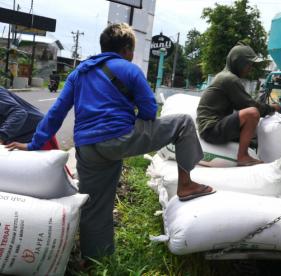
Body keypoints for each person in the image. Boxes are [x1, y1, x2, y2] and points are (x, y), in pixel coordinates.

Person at [6, 23, 215, 261]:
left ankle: (95, 259)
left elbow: (56, 113)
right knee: (184, 123)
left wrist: (33, 144)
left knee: (95, 207)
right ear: (126, 49)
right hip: (119, 139)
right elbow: (148, 110)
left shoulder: (78, 73)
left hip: (86, 147)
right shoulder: (129, 69)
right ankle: (186, 184)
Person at [196, 43, 279, 166]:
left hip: (213, 125)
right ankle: (243, 156)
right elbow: (250, 106)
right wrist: (272, 108)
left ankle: (247, 151)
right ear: (238, 63)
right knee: (252, 113)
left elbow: (242, 103)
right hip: (211, 129)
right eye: (248, 64)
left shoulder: (225, 76)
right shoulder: (229, 79)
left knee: (254, 138)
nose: (250, 68)